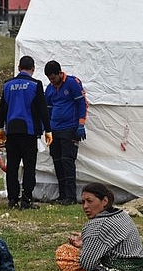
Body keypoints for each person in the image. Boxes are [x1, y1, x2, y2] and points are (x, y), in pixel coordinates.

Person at [0, 55, 52, 210]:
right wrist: (48, 130)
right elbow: (42, 109)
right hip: (29, 132)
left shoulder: (7, 85)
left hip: (12, 132)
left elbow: (2, 109)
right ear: (33, 69)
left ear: (19, 68)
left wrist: (0, 128)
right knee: (29, 166)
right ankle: (26, 200)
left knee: (12, 167)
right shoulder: (35, 84)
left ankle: (12, 200)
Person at [44, 60, 88, 206]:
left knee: (67, 161)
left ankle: (71, 195)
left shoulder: (72, 83)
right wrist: (47, 129)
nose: (52, 81)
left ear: (59, 73)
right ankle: (62, 194)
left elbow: (82, 104)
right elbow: (48, 110)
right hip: (55, 129)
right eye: (49, 79)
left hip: (69, 128)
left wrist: (81, 124)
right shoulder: (50, 89)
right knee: (57, 161)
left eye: (53, 78)